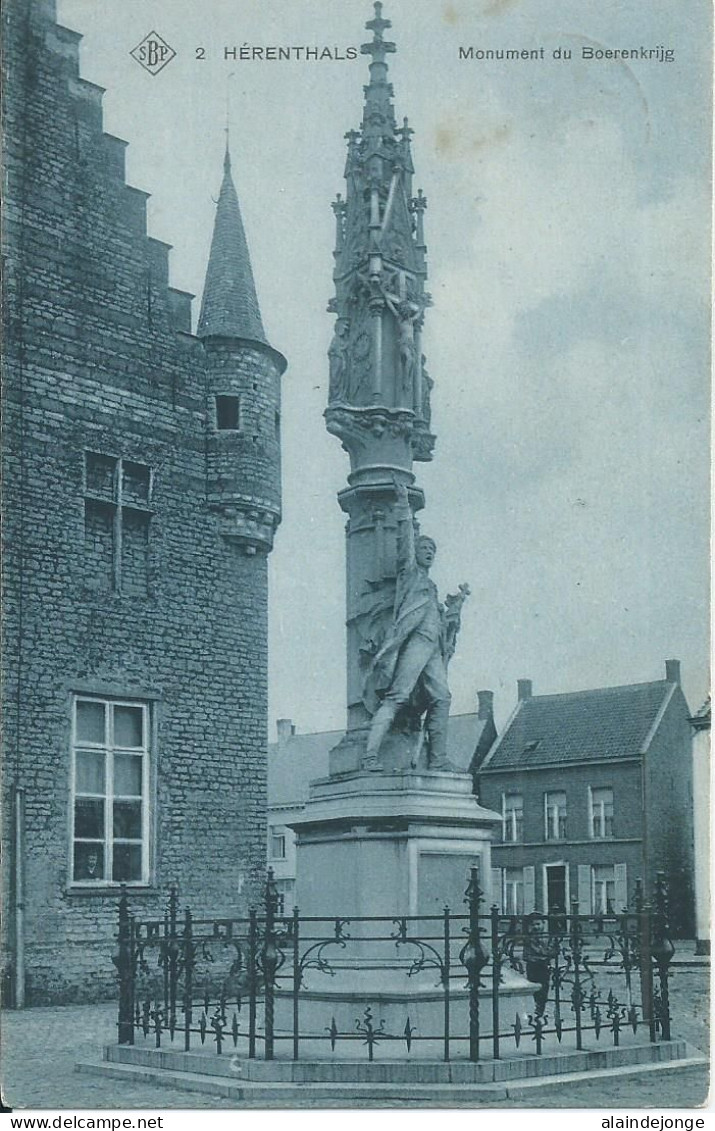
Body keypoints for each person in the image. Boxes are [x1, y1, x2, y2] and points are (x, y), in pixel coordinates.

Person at [363, 478, 456, 769]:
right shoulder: (410, 573)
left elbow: (440, 624)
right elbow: (405, 540)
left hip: (432, 648)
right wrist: (403, 505)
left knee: (442, 697)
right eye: (426, 547)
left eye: (433, 550)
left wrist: (452, 615)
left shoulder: (432, 586)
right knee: (397, 696)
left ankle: (438, 760)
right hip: (414, 642)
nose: (430, 552)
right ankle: (369, 757)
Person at [523, 914, 551, 1018]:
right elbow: (526, 954)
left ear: (543, 924)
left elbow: (551, 951)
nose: (536, 927)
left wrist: (543, 953)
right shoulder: (529, 937)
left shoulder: (547, 937)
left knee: (544, 988)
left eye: (538, 924)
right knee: (533, 986)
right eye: (533, 924)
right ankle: (534, 1010)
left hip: (544, 965)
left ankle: (540, 1010)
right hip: (532, 965)